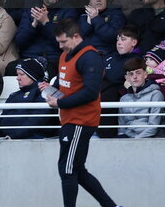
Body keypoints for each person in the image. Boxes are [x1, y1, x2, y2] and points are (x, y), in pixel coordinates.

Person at [41, 18, 120, 207]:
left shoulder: (90, 57)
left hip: (81, 120)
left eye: (63, 42)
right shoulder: (64, 56)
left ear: (76, 37)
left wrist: (59, 102)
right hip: (70, 120)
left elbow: (91, 92)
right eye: (58, 42)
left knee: (67, 170)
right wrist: (50, 89)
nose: (60, 47)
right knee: (77, 169)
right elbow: (65, 84)